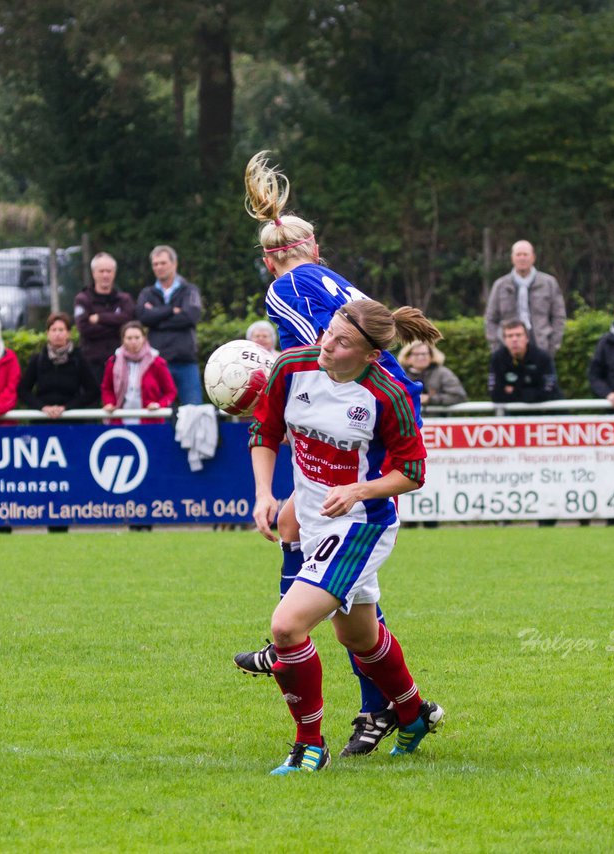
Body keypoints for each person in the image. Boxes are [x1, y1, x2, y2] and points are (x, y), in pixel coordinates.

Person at [234, 150, 427, 759]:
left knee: (305, 608)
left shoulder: (287, 287)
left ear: (272, 258)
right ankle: (408, 710)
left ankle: (299, 662)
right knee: (354, 617)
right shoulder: (325, 277)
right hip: (365, 425)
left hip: (369, 436)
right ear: (314, 246)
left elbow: (324, 355)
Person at [249, 299, 445, 774]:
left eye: (342, 343)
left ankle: (309, 747)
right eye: (329, 332)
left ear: (370, 356)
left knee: (287, 626)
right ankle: (412, 712)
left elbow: (413, 472)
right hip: (315, 522)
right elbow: (265, 430)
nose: (327, 346)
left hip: (362, 525)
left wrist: (360, 489)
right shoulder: (293, 367)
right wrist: (263, 494)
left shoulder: (385, 395)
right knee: (358, 636)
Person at [135, 246, 203, 405]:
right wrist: (172, 310)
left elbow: (190, 317)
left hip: (186, 362)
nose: (158, 267)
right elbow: (143, 318)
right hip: (156, 363)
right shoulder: (147, 293)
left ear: (174, 264)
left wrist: (157, 316)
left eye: (163, 263)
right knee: (158, 416)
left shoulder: (190, 290)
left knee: (193, 413)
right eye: (155, 264)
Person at [484, 240, 567, 353]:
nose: (522, 258)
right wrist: (496, 346)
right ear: (512, 258)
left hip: (541, 346)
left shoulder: (549, 283)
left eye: (525, 254)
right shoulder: (500, 285)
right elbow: (490, 318)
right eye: (518, 255)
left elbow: (559, 316)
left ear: (533, 257)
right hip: (506, 348)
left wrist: (553, 346)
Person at [20, 311, 99, 417]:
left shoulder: (79, 359)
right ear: (47, 333)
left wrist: (67, 408)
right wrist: (42, 407)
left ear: (68, 333)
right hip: (42, 422)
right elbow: (23, 390)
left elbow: (93, 391)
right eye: (53, 330)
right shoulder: (38, 359)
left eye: (61, 330)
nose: (57, 334)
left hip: (71, 422)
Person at [100, 320, 176, 424]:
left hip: (149, 420)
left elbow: (171, 391)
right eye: (129, 338)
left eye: (137, 337)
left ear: (144, 338)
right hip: (120, 419)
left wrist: (158, 405)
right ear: (123, 340)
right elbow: (107, 388)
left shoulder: (156, 362)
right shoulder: (113, 361)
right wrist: (110, 402)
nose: (133, 342)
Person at [74, 252, 136, 371]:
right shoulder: (82, 299)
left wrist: (100, 318)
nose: (105, 275)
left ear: (114, 273)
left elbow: (129, 321)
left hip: (121, 362)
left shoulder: (124, 299)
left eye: (109, 271)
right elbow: (84, 329)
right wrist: (117, 324)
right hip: (92, 363)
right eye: (101, 271)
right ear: (93, 273)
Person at [487, 320, 560, 403]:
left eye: (518, 335)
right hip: (512, 414)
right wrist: (531, 391)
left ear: (527, 338)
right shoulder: (497, 359)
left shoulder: (542, 358)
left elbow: (549, 391)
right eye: (510, 336)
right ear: (505, 340)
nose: (514, 339)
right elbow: (495, 394)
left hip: (544, 413)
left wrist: (514, 391)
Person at [398, 340, 467, 406]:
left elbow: (459, 396)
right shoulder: (400, 375)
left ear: (431, 356)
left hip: (436, 417)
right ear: (407, 357)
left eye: (424, 354)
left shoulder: (443, 373)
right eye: (416, 354)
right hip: (407, 418)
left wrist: (430, 399)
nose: (421, 357)